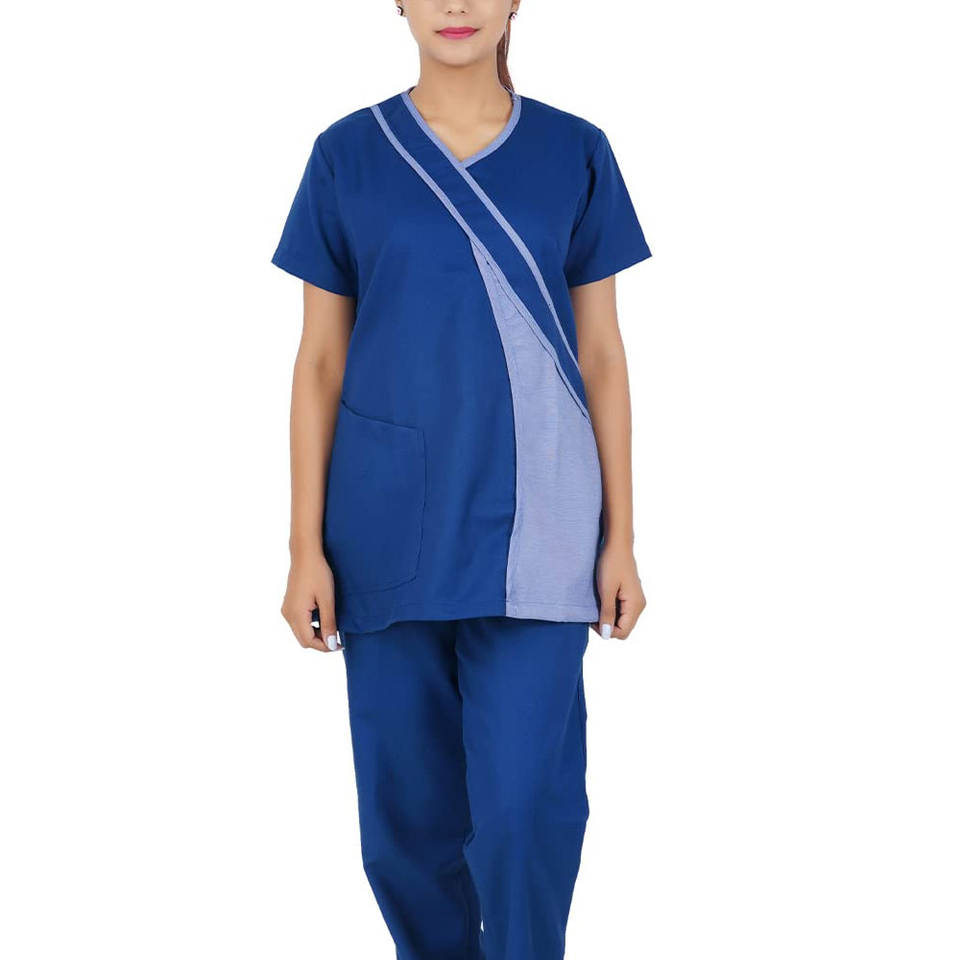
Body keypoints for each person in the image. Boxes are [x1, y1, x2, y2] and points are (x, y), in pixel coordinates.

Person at [272, 2, 651, 956]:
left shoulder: (576, 152)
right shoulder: (346, 155)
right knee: (404, 831)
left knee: (527, 813)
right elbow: (320, 361)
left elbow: (603, 355)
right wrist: (304, 547)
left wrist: (622, 539)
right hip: (384, 533)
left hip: (542, 533)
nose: (455, 5)